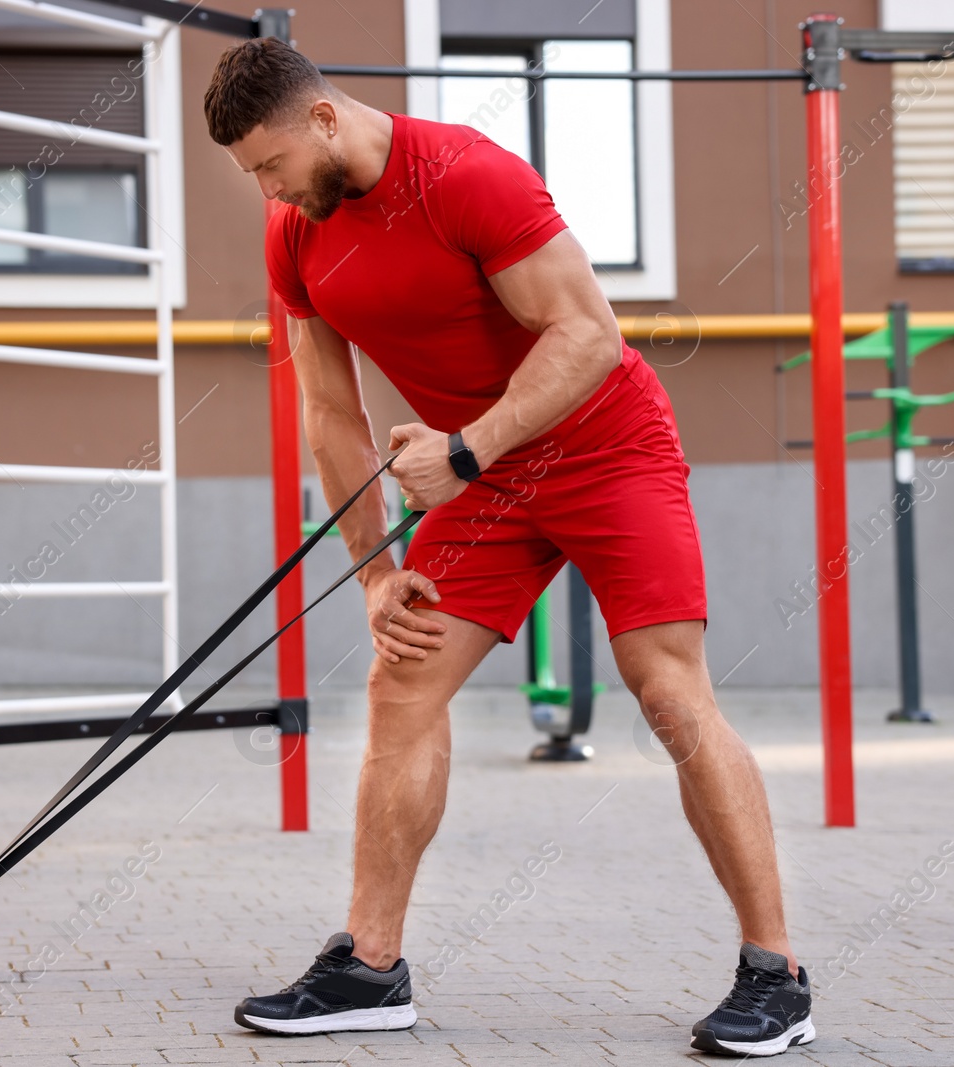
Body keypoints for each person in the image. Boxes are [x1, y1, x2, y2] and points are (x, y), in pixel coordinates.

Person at [203, 38, 814, 1058]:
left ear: (321, 119)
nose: (266, 189)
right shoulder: (297, 233)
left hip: (605, 449)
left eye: (270, 165)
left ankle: (775, 973)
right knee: (401, 682)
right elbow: (328, 408)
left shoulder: (467, 176)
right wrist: (374, 572)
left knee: (664, 687)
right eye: (251, 177)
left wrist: (468, 448)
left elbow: (587, 333)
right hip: (481, 481)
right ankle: (369, 965)